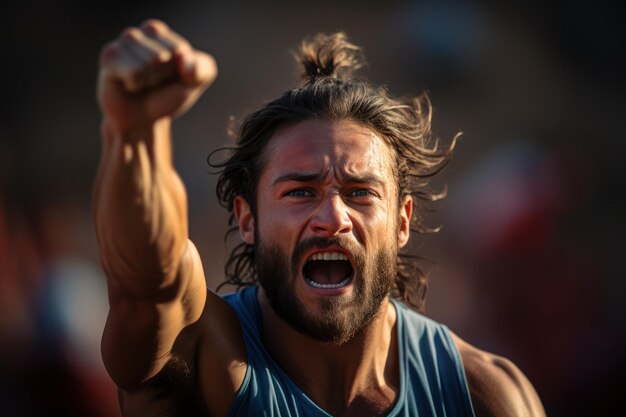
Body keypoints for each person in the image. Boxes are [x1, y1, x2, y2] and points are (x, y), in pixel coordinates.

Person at [94, 19, 546, 417]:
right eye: (300, 192)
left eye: (360, 193)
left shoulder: (482, 396)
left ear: (402, 221)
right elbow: (148, 284)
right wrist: (135, 134)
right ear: (247, 220)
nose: (333, 218)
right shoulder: (201, 360)